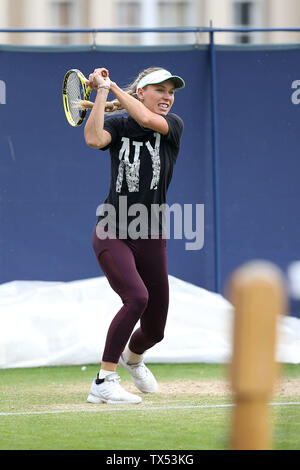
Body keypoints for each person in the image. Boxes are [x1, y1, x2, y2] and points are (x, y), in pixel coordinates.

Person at [84, 66, 185, 404]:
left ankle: (133, 358)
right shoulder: (119, 124)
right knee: (137, 297)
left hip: (151, 233)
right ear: (141, 92)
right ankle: (103, 380)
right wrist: (101, 92)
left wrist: (110, 86)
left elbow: (146, 120)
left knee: (155, 330)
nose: (167, 96)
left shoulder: (173, 126)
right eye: (160, 89)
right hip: (112, 229)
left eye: (171, 91)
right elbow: (94, 138)